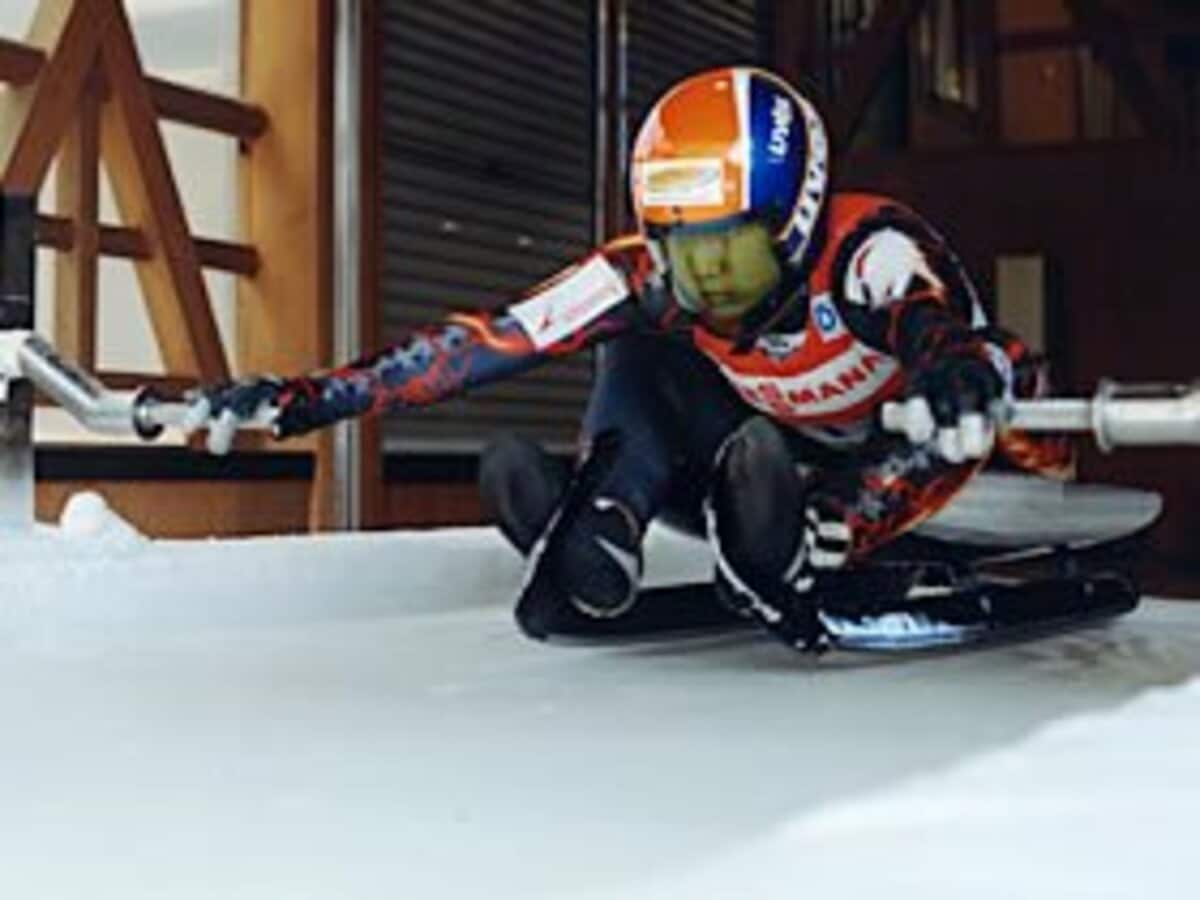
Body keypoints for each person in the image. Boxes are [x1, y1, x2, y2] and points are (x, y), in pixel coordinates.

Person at [183, 67, 1071, 651]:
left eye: (735, 247)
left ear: (797, 223)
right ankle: (602, 518)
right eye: (686, 247)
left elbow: (954, 340)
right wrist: (299, 400)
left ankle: (794, 538)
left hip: (915, 454)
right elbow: (484, 342)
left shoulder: (871, 251)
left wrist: (961, 379)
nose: (710, 273)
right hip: (765, 454)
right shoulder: (645, 278)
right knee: (640, 350)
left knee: (924, 431)